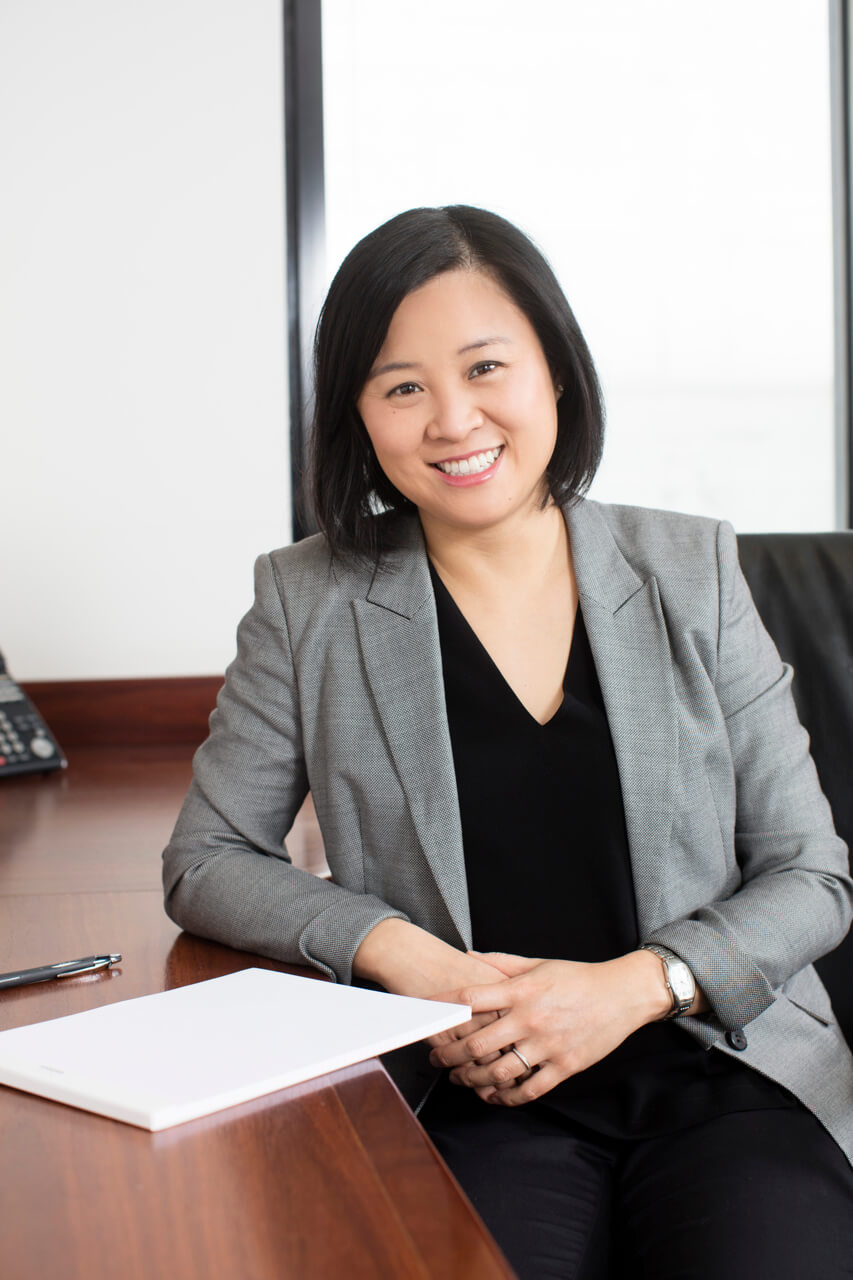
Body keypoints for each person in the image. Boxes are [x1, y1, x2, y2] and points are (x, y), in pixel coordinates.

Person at [163, 206, 853, 1279]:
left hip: (721, 1069)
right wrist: (402, 951)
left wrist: (639, 983)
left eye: (487, 366)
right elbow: (207, 860)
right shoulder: (308, 601)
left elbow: (812, 876)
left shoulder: (692, 569)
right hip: (477, 1088)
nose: (452, 419)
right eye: (401, 386)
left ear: (555, 374)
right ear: (357, 413)